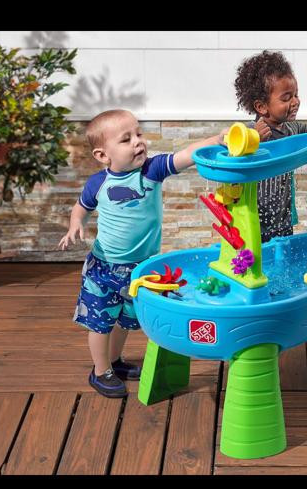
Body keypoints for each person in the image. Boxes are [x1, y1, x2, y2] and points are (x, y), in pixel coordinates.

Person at [59, 109, 225, 398]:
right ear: (103, 155)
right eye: (126, 139)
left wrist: (217, 139)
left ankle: (114, 361)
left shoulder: (151, 170)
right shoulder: (98, 183)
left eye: (138, 134)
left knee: (125, 319)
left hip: (140, 268)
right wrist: (76, 224)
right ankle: (100, 371)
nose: (138, 142)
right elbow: (81, 207)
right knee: (100, 323)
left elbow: (187, 154)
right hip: (104, 268)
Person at [233, 50, 307, 243]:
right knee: (253, 260)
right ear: (261, 106)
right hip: (251, 221)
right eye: (286, 98)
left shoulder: (293, 129)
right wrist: (253, 140)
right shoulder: (248, 132)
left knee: (282, 258)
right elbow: (232, 162)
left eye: (296, 95)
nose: (295, 102)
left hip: (283, 221)